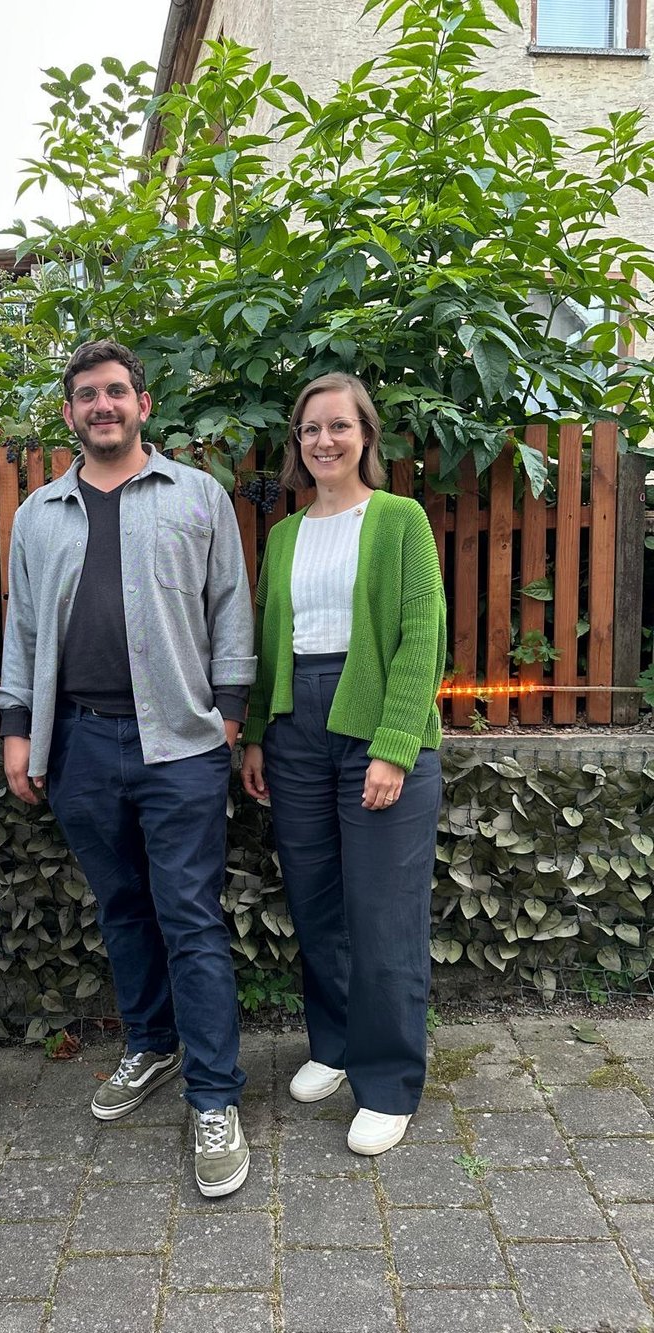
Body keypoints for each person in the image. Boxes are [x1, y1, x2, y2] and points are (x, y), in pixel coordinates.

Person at [0, 339, 256, 1197]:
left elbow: (231, 607)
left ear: (143, 404)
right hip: (79, 742)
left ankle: (214, 1097)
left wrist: (228, 713)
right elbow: (23, 628)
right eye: (85, 394)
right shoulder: (38, 515)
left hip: (180, 744)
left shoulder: (199, 495)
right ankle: (152, 1044)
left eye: (115, 391)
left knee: (190, 916)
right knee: (123, 908)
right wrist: (18, 729)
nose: (101, 405)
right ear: (70, 412)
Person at [240, 372, 445, 1157]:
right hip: (295, 728)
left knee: (384, 910)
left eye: (338, 426)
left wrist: (394, 745)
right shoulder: (286, 534)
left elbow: (422, 635)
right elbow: (269, 640)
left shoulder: (399, 520)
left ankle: (388, 1082)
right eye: (310, 429)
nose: (323, 440)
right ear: (297, 444)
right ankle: (334, 1044)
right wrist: (257, 732)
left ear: (365, 436)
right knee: (317, 899)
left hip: (376, 722)